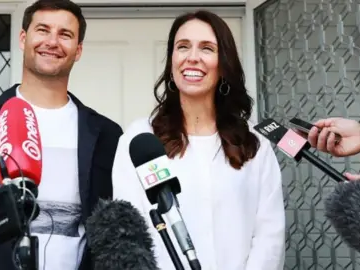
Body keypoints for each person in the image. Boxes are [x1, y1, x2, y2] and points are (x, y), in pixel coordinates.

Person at [0, 1, 123, 269]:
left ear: (78, 50)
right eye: (43, 30)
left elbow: (112, 235)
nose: (52, 42)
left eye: (65, 34)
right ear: (23, 38)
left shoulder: (107, 134)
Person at [111, 10, 286, 270]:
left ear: (224, 63)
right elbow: (129, 234)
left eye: (207, 48)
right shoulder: (140, 139)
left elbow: (269, 235)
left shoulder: (254, 143)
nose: (192, 58)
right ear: (172, 60)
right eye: (183, 47)